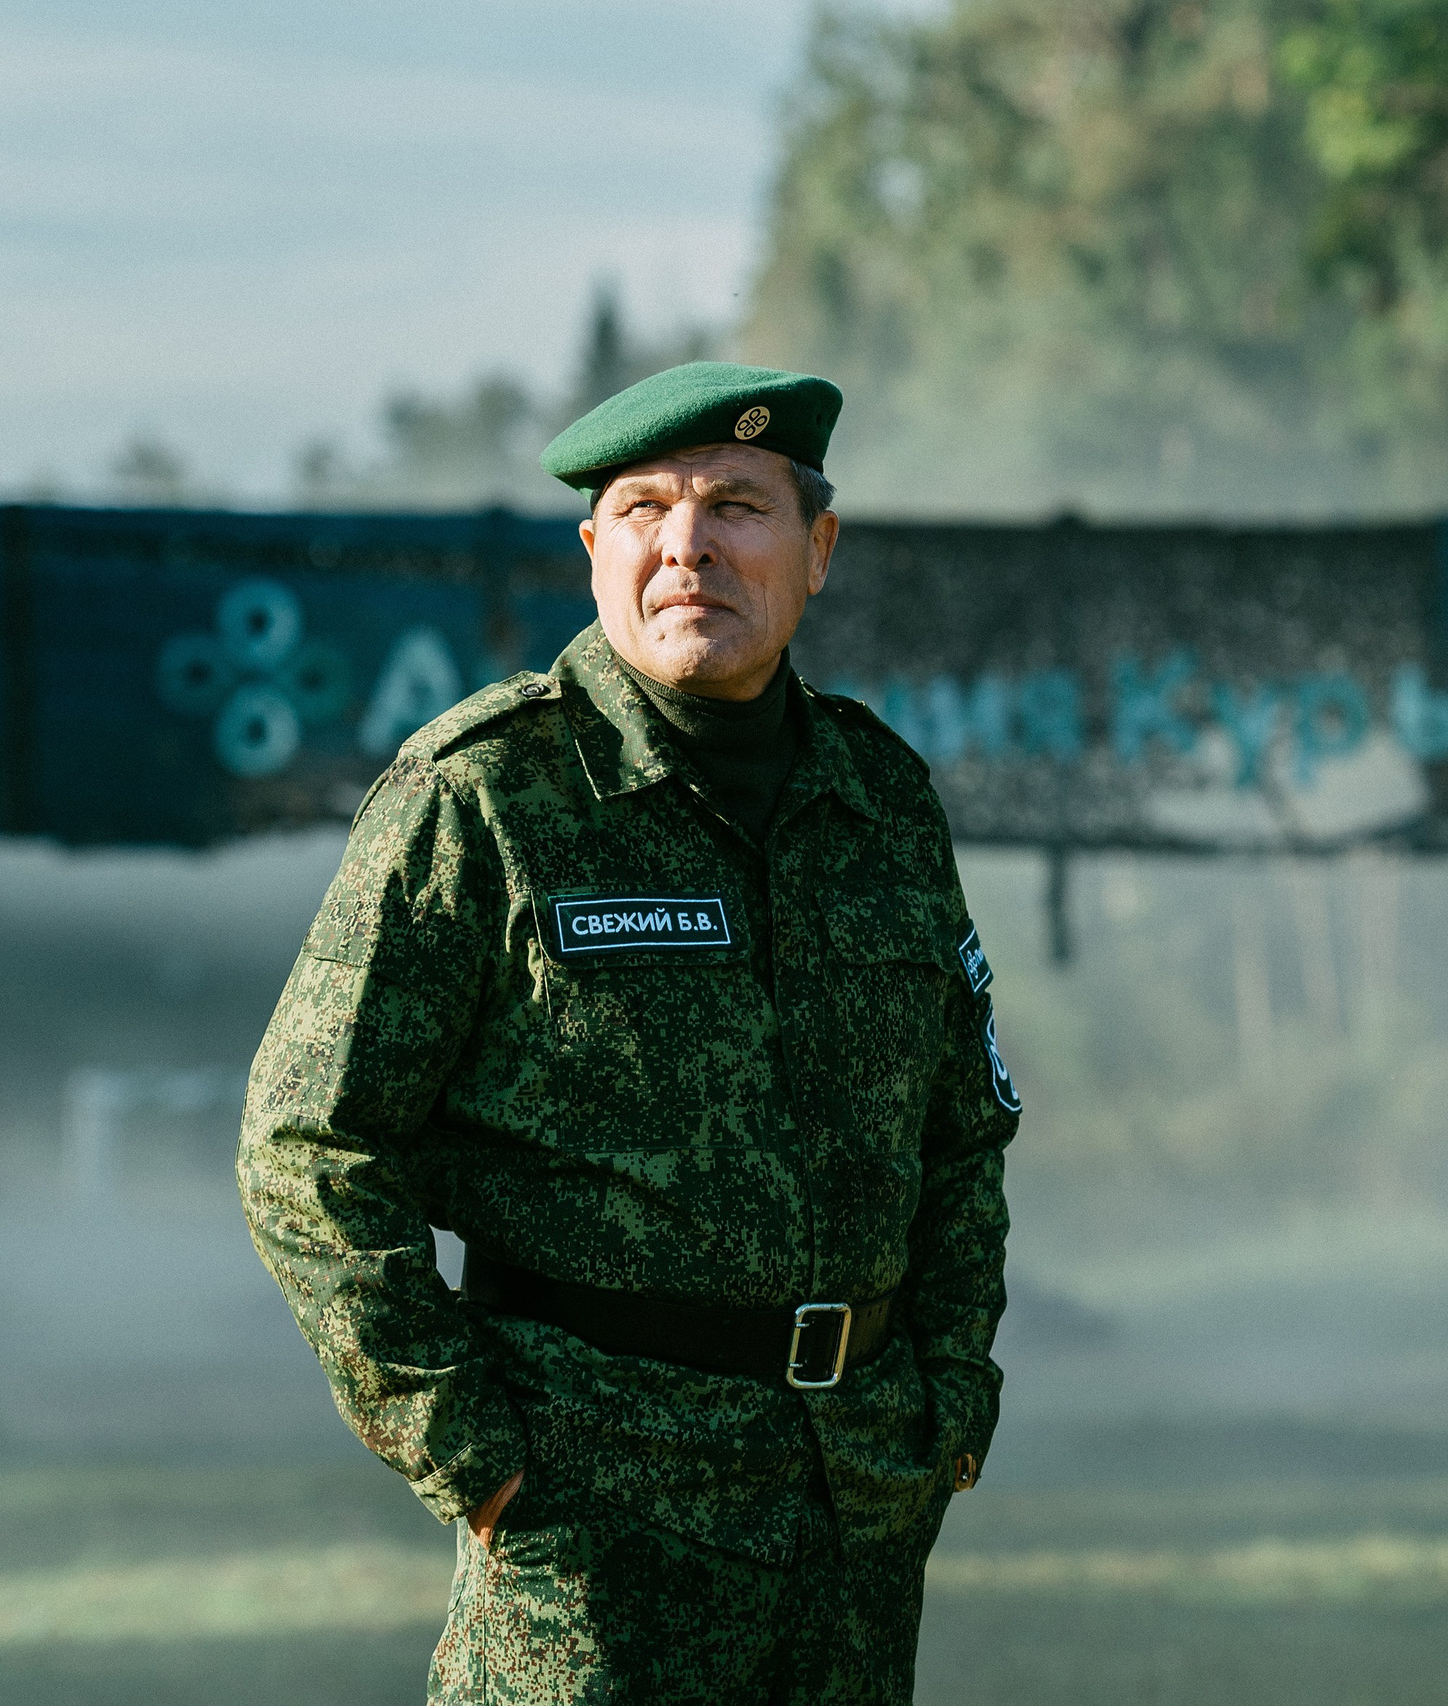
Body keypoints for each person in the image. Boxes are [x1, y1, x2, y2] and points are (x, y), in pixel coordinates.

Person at [238, 360, 1018, 1704]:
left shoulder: (881, 800)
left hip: (853, 1511)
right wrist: (475, 1454)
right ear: (594, 549)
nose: (687, 545)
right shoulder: (482, 797)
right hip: (595, 1527)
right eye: (646, 508)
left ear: (817, 548)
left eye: (737, 506)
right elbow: (309, 1147)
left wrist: (949, 1398)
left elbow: (963, 1127)